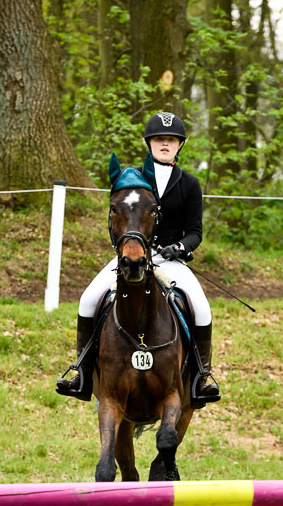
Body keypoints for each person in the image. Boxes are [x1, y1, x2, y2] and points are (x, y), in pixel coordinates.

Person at [56, 111, 220, 406]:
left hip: (169, 261)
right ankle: (81, 372)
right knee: (87, 299)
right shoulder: (133, 179)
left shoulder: (190, 184)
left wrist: (180, 247)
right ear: (150, 144)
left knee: (202, 308)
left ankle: (201, 377)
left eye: (171, 140)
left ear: (179, 145)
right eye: (159, 140)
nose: (165, 144)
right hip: (131, 256)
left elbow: (195, 231)